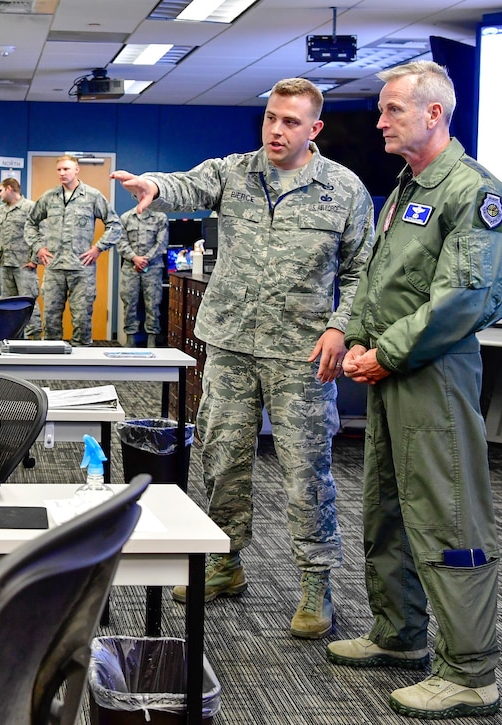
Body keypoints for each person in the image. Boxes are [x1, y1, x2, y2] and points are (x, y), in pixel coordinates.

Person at [112, 77, 375, 639]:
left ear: (315, 128)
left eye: (290, 122)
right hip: (230, 344)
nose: (276, 131)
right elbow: (186, 183)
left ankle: (315, 583)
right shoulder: (236, 171)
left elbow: (361, 273)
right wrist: (152, 185)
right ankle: (225, 561)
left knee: (307, 473)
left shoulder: (344, 190)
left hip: (301, 354)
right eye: (271, 118)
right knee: (224, 458)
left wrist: (338, 327)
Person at [328, 61, 502, 719]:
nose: (379, 121)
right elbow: (386, 278)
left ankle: (471, 671)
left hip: (432, 376)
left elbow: (465, 299)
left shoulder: (473, 193)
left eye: (391, 110)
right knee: (386, 508)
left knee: (448, 513)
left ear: (434, 113)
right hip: (389, 373)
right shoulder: (411, 185)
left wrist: (385, 351)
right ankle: (399, 633)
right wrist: (357, 337)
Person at [26, 154, 122, 346]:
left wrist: (98, 248)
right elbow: (30, 222)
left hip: (81, 269)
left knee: (82, 320)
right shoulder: (49, 197)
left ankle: (83, 367)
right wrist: (39, 248)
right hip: (54, 268)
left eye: (66, 169)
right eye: (59, 170)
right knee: (51, 320)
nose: (62, 173)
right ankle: (50, 367)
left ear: (76, 170)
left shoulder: (92, 196)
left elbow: (115, 225)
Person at [0, 177, 41, 339]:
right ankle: (11, 338)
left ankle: (35, 338)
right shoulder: (0, 211)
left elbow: (41, 234)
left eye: (1, 190)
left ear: (10, 188)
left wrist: (35, 260)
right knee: (8, 304)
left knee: (28, 302)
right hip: (6, 266)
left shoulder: (31, 208)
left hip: (24, 265)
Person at [118, 206, 169, 347]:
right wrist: (135, 258)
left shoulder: (160, 217)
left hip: (153, 267)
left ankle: (152, 341)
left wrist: (145, 260)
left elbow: (162, 243)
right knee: (129, 304)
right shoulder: (126, 217)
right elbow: (121, 242)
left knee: (153, 305)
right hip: (130, 267)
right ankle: (130, 341)